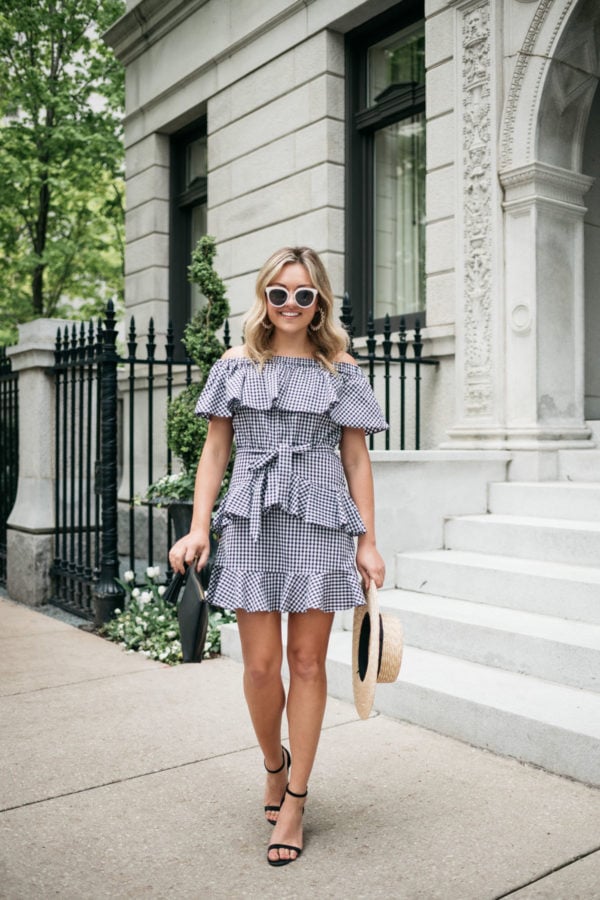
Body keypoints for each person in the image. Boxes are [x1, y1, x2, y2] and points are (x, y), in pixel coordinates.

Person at [168, 246, 387, 866]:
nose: (290, 304)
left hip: (319, 518)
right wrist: (198, 528)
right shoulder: (236, 365)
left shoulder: (340, 368)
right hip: (251, 518)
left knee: (309, 664)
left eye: (304, 295)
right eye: (279, 293)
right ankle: (274, 762)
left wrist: (367, 540)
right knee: (262, 668)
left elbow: (356, 458)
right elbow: (215, 452)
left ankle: (295, 797)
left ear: (320, 303)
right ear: (264, 296)